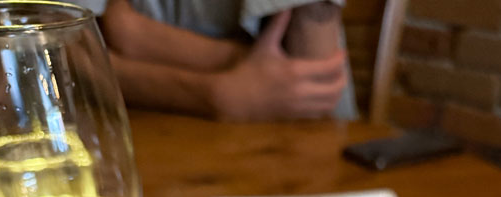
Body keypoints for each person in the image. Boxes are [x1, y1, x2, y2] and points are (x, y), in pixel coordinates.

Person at [79, 0, 356, 120]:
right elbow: (70, 55)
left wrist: (130, 33)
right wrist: (220, 94)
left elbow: (307, 83)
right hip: (143, 140)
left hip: (288, 154)